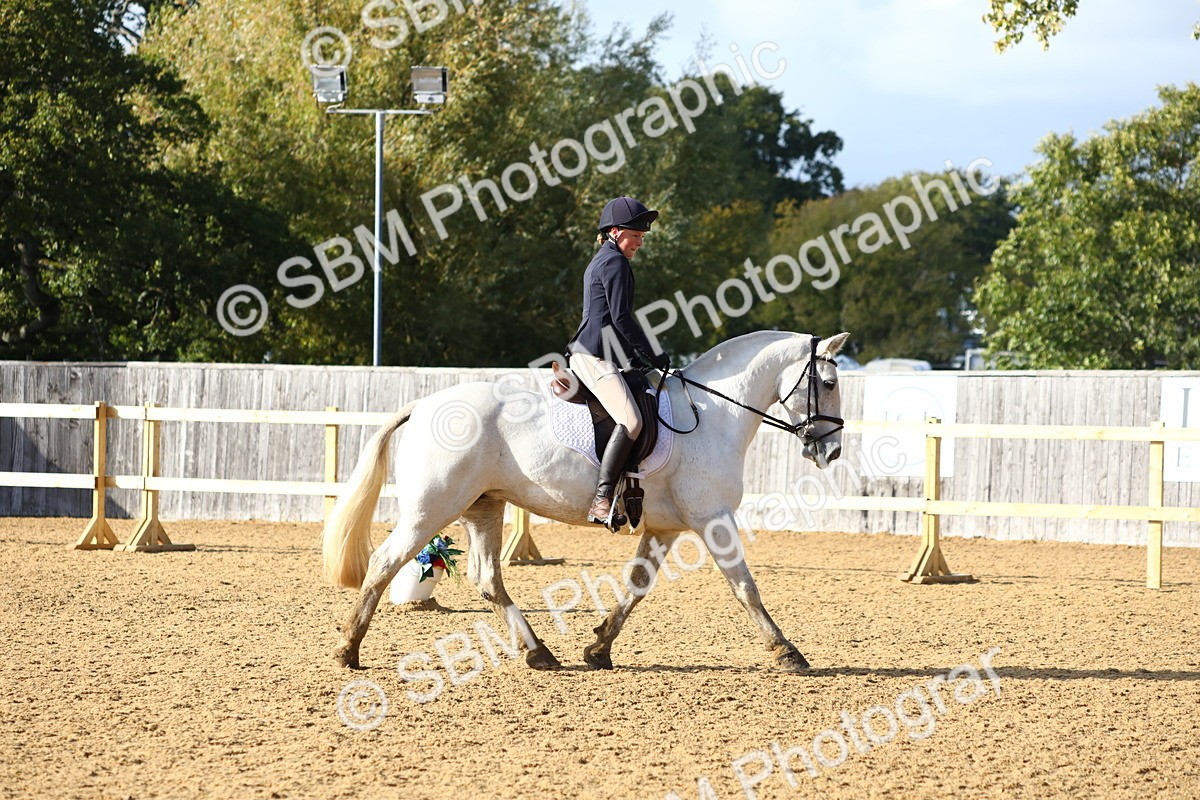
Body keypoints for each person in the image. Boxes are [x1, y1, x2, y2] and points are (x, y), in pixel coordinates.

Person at [566, 196, 670, 529]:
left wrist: (632, 361)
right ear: (614, 231)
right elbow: (622, 319)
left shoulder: (605, 258)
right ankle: (601, 499)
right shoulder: (615, 263)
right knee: (632, 421)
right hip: (594, 355)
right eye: (635, 235)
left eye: (642, 236)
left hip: (601, 350)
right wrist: (654, 355)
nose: (640, 241)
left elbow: (610, 321)